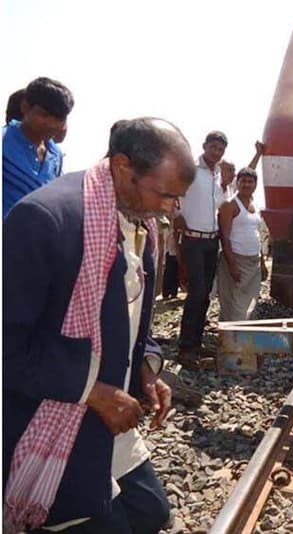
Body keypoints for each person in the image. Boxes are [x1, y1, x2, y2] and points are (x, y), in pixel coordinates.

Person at [3, 117, 195, 533]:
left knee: (152, 514)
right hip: (55, 420)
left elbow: (131, 319)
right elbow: (8, 346)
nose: (170, 209)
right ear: (123, 167)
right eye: (166, 195)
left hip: (109, 422)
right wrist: (93, 392)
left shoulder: (140, 221)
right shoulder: (45, 219)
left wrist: (146, 368)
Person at [174, 131, 234, 369]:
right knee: (196, 292)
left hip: (211, 240)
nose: (217, 153)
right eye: (213, 147)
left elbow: (222, 203)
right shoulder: (190, 169)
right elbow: (174, 194)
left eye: (221, 149)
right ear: (204, 146)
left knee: (206, 293)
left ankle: (196, 342)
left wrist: (226, 184)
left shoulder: (218, 174)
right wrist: (176, 215)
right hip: (193, 239)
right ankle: (185, 347)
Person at [3, 77, 74, 217]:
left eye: (59, 118)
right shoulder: (4, 141)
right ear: (25, 107)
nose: (52, 124)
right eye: (45, 115)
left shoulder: (55, 154)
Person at [217, 168, 266, 321]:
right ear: (237, 183)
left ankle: (243, 333)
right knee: (234, 303)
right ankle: (231, 334)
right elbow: (225, 236)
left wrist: (262, 262)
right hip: (236, 260)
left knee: (250, 303)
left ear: (255, 185)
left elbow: (257, 234)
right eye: (243, 181)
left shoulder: (255, 205)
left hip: (253, 262)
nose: (246, 184)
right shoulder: (230, 204)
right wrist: (232, 265)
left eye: (250, 181)